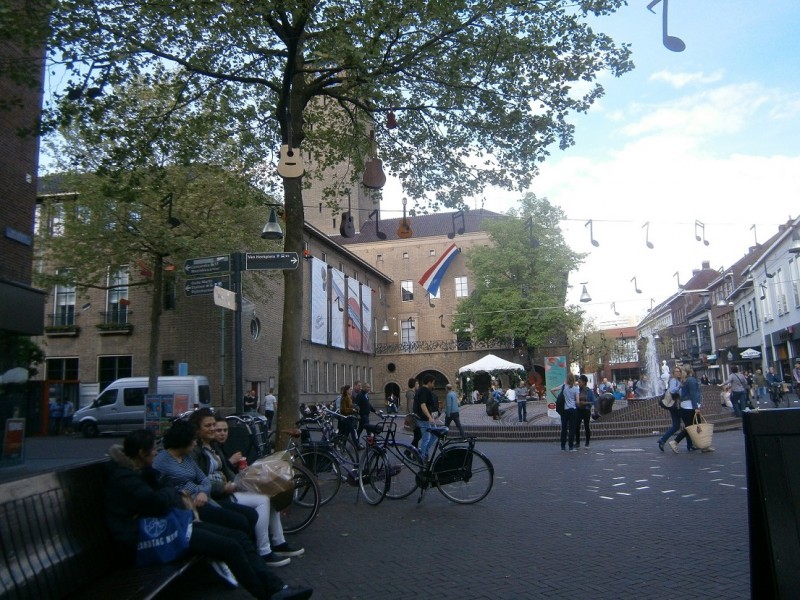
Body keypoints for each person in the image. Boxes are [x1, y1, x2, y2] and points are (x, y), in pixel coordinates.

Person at [105, 429, 313, 600]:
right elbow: (159, 502)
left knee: (238, 537)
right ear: (141, 454)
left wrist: (172, 493)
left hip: (168, 525)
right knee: (230, 545)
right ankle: (269, 593)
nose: (155, 454)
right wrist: (173, 494)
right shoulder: (125, 479)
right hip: (143, 537)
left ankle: (277, 588)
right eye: (152, 451)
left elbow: (168, 490)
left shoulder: (139, 471)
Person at [191, 410, 302, 567]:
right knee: (263, 501)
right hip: (217, 496)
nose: (216, 431)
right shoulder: (198, 451)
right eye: (210, 426)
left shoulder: (213, 446)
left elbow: (226, 471)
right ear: (198, 429)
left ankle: (279, 542)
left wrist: (241, 478)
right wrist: (226, 486)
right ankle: (264, 550)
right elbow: (202, 479)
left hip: (228, 488)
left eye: (216, 426)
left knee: (269, 493)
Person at [669, 365, 714, 453]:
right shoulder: (691, 380)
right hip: (691, 407)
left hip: (684, 406)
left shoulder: (684, 380)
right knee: (693, 427)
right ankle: (675, 442)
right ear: (691, 371)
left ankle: (704, 446)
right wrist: (696, 407)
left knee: (692, 427)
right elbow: (693, 394)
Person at [413, 374, 440, 460]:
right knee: (426, 438)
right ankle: (423, 457)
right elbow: (423, 405)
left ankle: (425, 452)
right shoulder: (424, 391)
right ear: (429, 382)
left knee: (435, 435)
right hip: (423, 418)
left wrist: (431, 416)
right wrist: (429, 417)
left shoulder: (422, 390)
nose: (433, 385)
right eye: (433, 383)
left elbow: (427, 406)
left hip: (425, 418)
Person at [658, 367, 685, 452]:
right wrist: (679, 386)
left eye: (679, 371)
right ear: (673, 373)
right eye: (676, 371)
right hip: (675, 405)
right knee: (686, 425)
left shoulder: (677, 380)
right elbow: (673, 391)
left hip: (675, 406)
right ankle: (690, 444)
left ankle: (663, 440)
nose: (678, 373)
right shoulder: (674, 380)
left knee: (676, 426)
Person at [553, 372, 579, 452]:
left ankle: (563, 446)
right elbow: (577, 401)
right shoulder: (576, 388)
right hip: (573, 410)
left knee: (564, 428)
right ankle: (571, 446)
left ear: (567, 379)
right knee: (572, 429)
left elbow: (552, 390)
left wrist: (557, 398)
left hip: (564, 410)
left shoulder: (564, 386)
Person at [574, 375, 596, 449]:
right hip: (578, 410)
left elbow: (593, 401)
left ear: (584, 382)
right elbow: (574, 399)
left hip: (586, 410)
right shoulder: (577, 390)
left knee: (587, 426)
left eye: (580, 382)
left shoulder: (589, 391)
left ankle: (587, 443)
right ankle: (577, 442)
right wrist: (577, 402)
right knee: (577, 426)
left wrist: (585, 403)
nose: (578, 383)